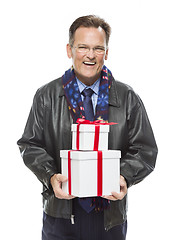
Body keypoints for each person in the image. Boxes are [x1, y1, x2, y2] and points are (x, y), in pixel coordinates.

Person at [17, 15, 158, 240]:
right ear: (69, 49)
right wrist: (51, 176)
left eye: (98, 48)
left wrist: (123, 177)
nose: (90, 55)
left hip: (110, 216)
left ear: (107, 52)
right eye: (82, 47)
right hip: (61, 213)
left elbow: (146, 149)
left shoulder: (127, 97)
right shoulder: (46, 96)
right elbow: (30, 144)